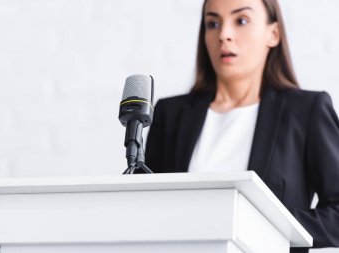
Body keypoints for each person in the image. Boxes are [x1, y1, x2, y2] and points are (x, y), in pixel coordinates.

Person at [144, 0, 339, 252]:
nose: (224, 35)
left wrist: (264, 226)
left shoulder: (305, 111)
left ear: (273, 34)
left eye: (241, 21)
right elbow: (145, 208)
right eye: (212, 23)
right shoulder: (170, 114)